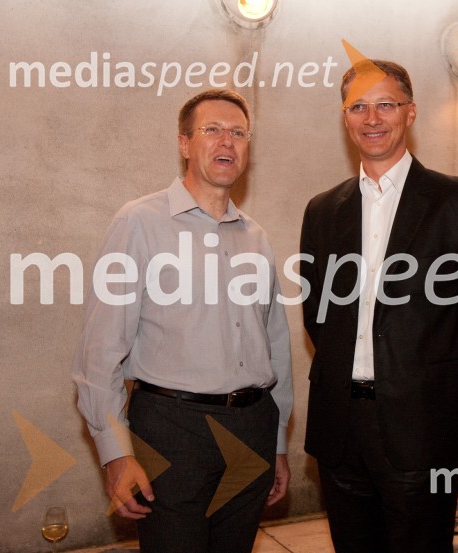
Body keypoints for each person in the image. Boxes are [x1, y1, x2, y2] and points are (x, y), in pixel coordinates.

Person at [300, 59, 458, 553]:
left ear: (410, 113)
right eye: (358, 107)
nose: (372, 118)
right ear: (344, 117)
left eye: (386, 105)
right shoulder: (322, 209)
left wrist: (440, 390)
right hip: (340, 426)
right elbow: (319, 315)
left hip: (425, 428)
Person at [72, 88, 293, 553]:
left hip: (252, 427)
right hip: (172, 431)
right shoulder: (138, 223)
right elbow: (100, 351)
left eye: (238, 133)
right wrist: (115, 452)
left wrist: (276, 441)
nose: (226, 142)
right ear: (184, 143)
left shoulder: (257, 237)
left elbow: (275, 347)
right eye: (211, 130)